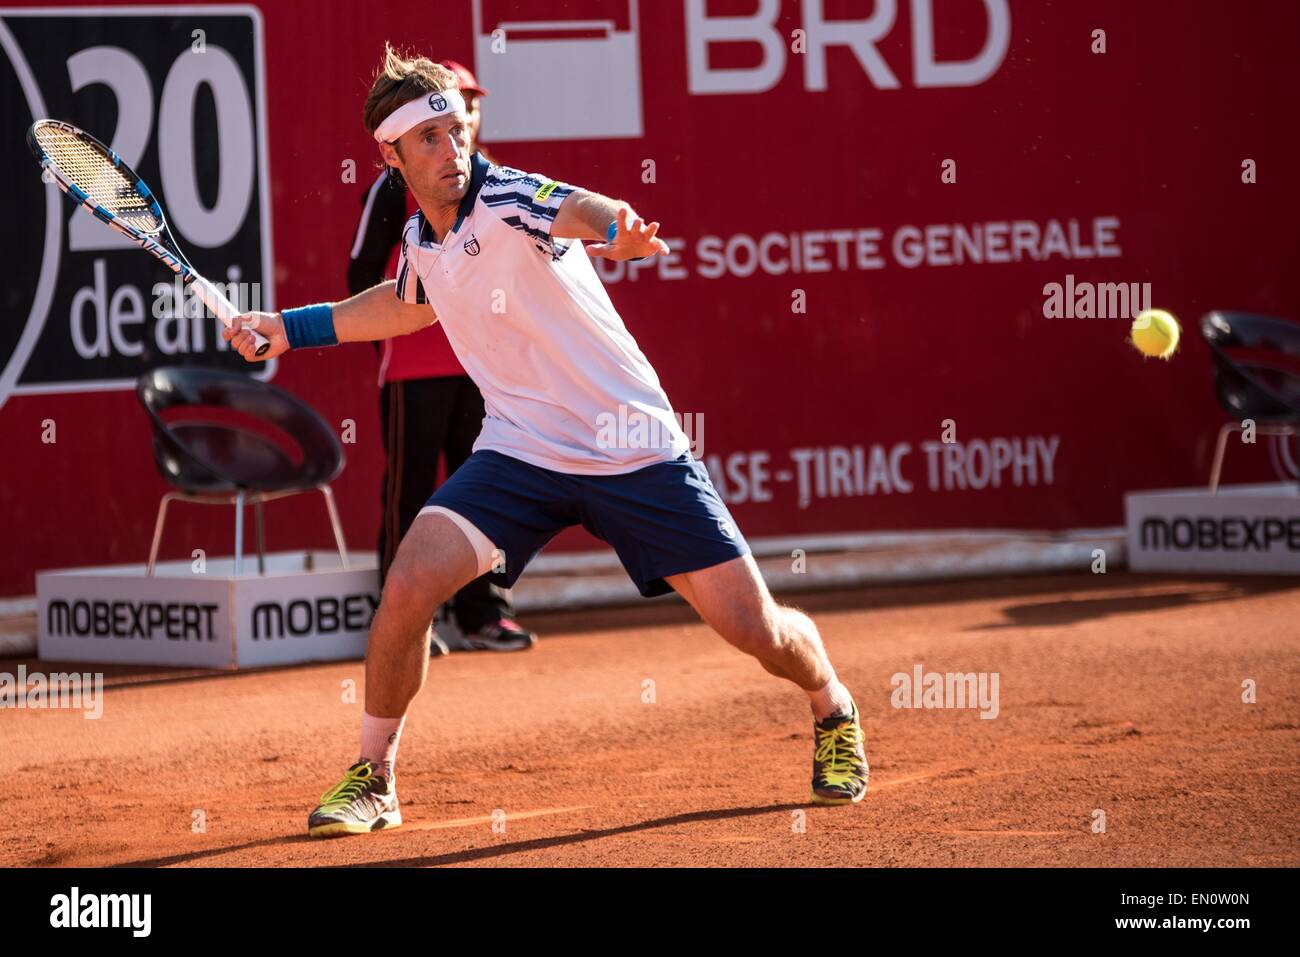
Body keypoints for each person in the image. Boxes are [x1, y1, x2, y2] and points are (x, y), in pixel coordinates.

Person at [224, 46, 869, 837]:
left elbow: (585, 210)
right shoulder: (421, 236)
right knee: (408, 585)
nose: (452, 151)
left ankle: (832, 707)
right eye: (428, 139)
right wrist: (286, 328)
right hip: (521, 450)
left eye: (456, 131)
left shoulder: (507, 195)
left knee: (753, 627)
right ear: (388, 154)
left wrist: (617, 231)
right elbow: (403, 304)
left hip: (630, 445)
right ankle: (376, 775)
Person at [347, 60, 534, 655]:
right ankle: (402, 621)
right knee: (409, 492)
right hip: (412, 370)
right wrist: (396, 338)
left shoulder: (497, 182)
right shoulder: (395, 184)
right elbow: (358, 272)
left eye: (472, 107)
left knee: (484, 488)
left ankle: (484, 613)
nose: (468, 118)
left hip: (480, 369)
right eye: (457, 106)